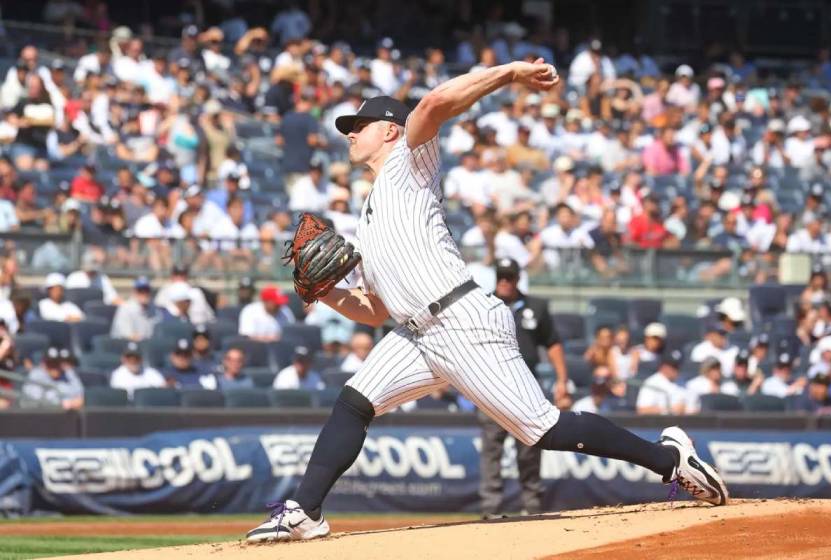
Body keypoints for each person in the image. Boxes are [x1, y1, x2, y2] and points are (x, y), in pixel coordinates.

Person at [247, 60, 726, 543]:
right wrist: (327, 294)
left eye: (360, 126)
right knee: (354, 403)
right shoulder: (368, 217)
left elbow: (433, 103)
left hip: (460, 320)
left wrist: (511, 73)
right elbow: (373, 311)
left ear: (391, 131)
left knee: (542, 430)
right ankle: (305, 511)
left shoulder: (408, 164)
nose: (350, 134)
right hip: (416, 332)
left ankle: (669, 459)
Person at [479, 258, 569, 519]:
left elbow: (552, 343)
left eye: (510, 277)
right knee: (491, 450)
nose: (505, 281)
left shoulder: (536, 307)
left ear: (518, 279)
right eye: (501, 277)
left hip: (526, 389)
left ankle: (532, 507)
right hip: (490, 387)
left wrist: (563, 379)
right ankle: (490, 510)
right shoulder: (482, 304)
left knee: (530, 447)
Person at [636, 349, 687, 415]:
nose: (676, 370)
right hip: (660, 423)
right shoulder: (651, 383)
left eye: (678, 366)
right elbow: (642, 410)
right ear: (663, 367)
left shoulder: (683, 381)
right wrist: (669, 409)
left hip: (685, 422)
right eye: (673, 367)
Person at [111, 276, 161, 341]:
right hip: (123, 346)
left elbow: (159, 331)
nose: (144, 293)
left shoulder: (154, 309)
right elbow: (128, 336)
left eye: (146, 290)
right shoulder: (126, 308)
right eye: (140, 290)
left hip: (147, 346)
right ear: (134, 291)